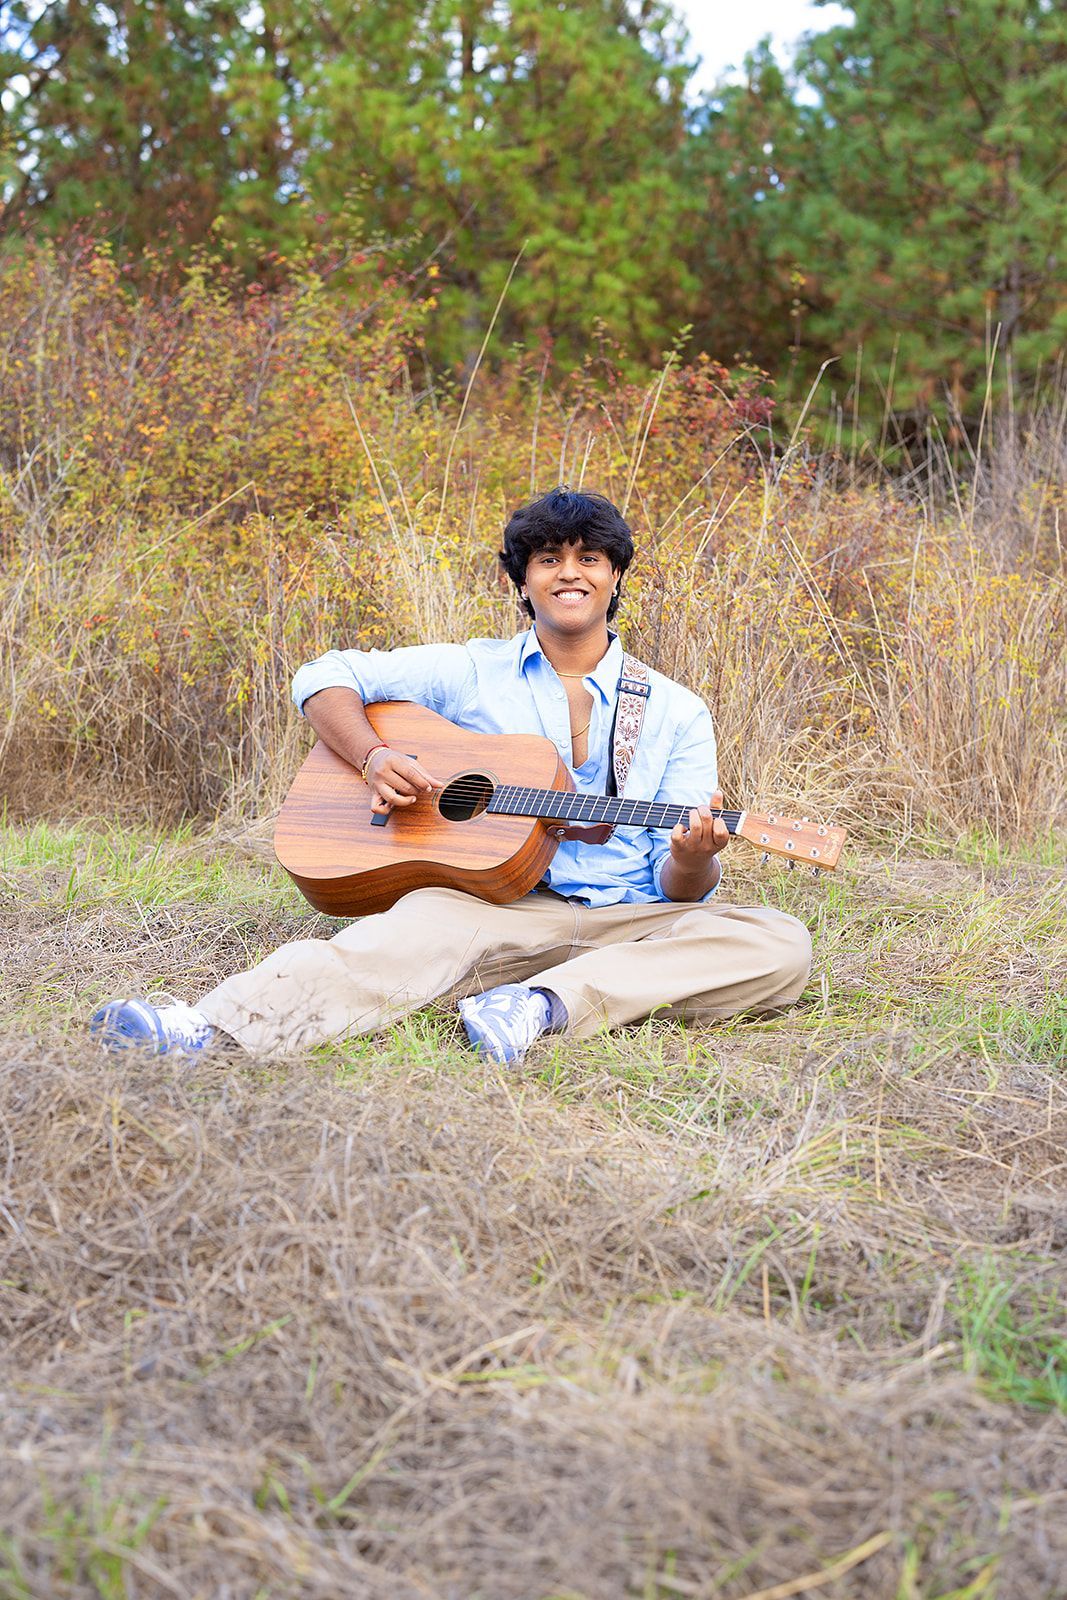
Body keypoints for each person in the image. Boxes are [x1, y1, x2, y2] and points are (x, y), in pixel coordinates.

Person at [91, 488, 812, 1064]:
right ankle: (205, 1029)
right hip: (491, 901)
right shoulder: (469, 669)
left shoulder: (676, 710)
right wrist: (373, 757)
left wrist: (692, 858)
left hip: (628, 917)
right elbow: (325, 675)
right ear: (519, 581)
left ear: (615, 576)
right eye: (548, 559)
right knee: (385, 943)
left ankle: (536, 1006)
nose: (570, 572)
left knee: (779, 944)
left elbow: (674, 887)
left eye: (591, 558)